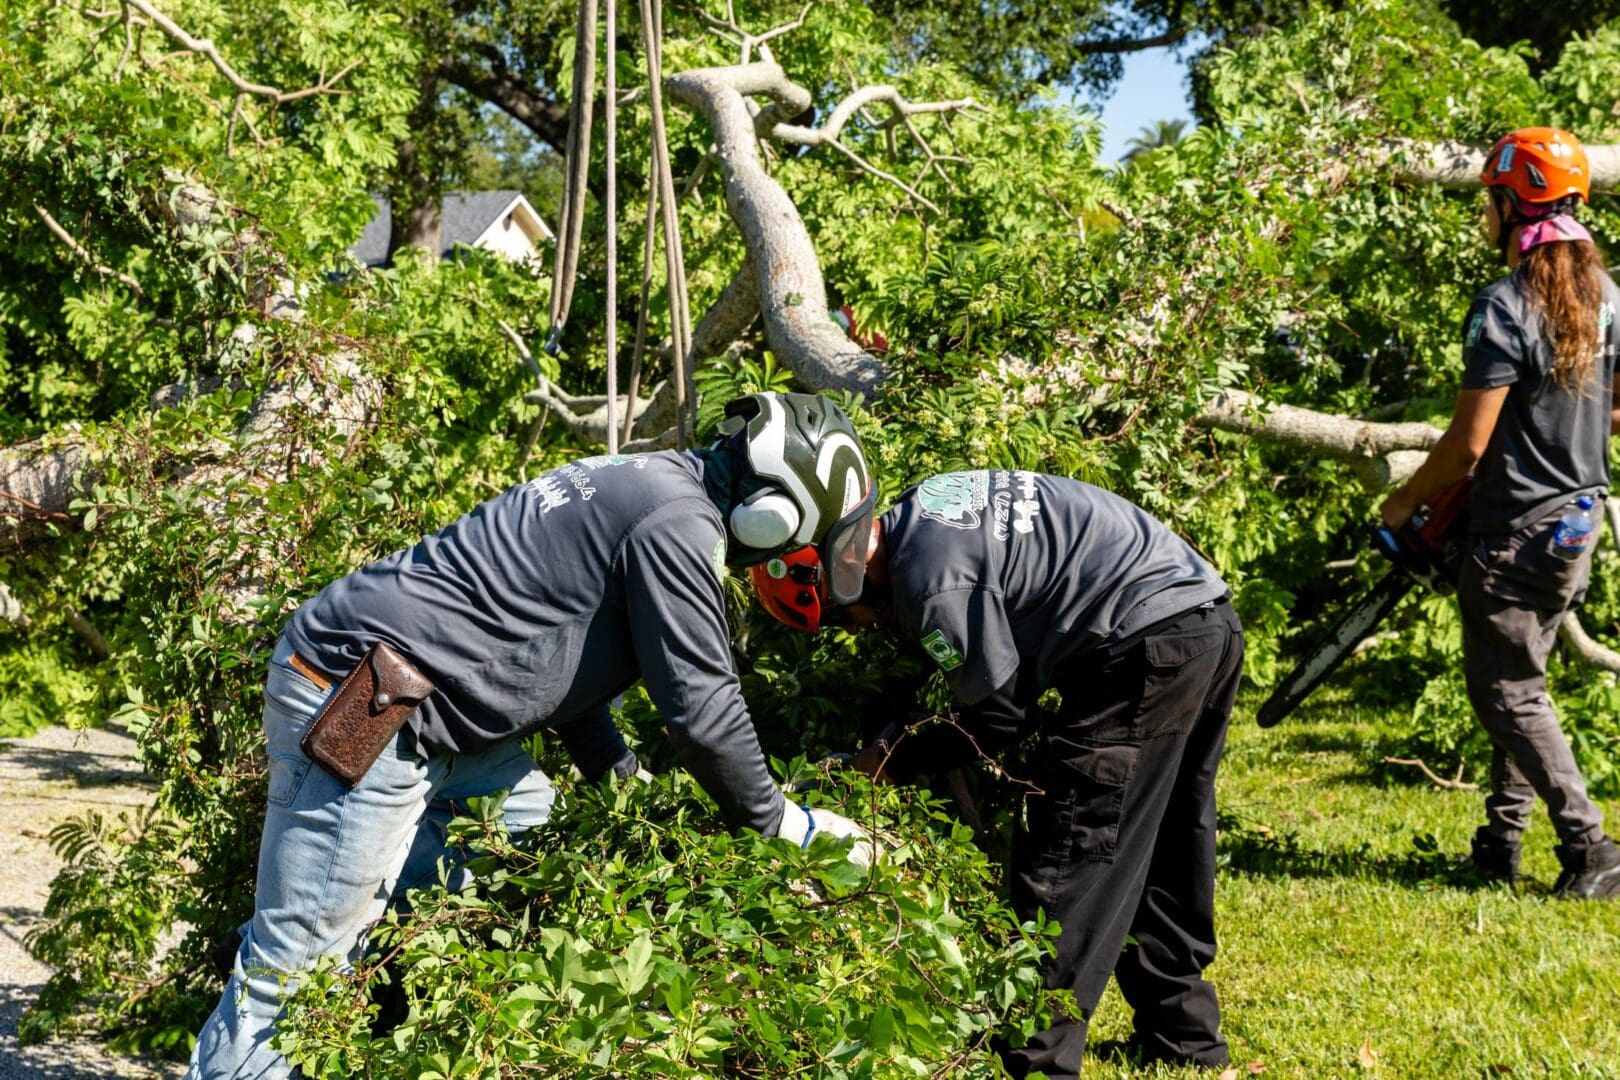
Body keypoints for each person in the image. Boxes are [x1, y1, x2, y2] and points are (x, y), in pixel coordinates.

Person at [188, 391, 878, 1079]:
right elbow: (703, 711)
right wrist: (784, 824)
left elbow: (557, 651)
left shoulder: (651, 483)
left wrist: (620, 778)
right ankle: (290, 935)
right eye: (801, 538)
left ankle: (306, 905)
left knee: (528, 834)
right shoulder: (678, 524)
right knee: (291, 984)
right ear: (775, 513)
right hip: (373, 700)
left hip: (439, 719)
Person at [750, 469, 1243, 1078]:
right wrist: (894, 729)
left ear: (835, 579)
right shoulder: (922, 514)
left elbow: (999, 719)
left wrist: (892, 760)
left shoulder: (928, 587)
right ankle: (1186, 1036)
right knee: (1165, 831)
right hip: (1203, 614)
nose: (857, 629)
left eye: (834, 618)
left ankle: (1036, 1060)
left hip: (1142, 643)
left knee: (1076, 841)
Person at [1379, 127, 1620, 900]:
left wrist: (1405, 499)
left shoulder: (1506, 303)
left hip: (1515, 531)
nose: (1485, 213)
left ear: (1512, 204)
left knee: (1508, 694)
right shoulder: (1608, 299)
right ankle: (1500, 842)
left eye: (1490, 199)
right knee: (1525, 684)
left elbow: (1466, 446)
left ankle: (1593, 849)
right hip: (1578, 521)